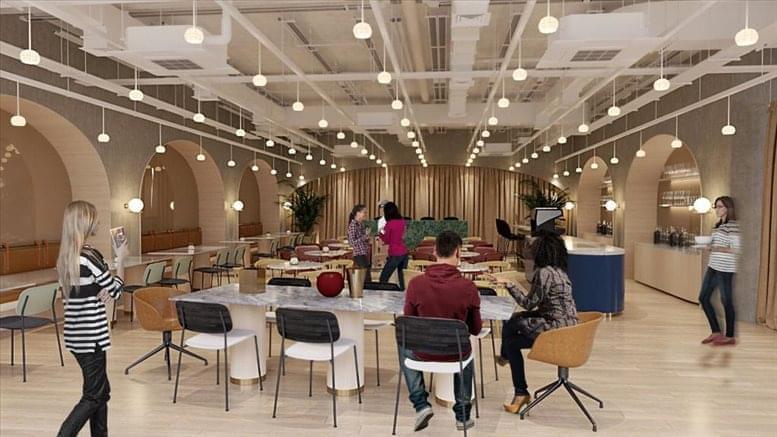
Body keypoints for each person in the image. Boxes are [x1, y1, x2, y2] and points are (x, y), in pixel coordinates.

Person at [401, 231, 482, 432]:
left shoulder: (415, 284)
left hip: (422, 353)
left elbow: (409, 323)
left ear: (434, 252)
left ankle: (421, 404)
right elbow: (475, 329)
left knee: (403, 341)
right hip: (456, 354)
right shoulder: (468, 287)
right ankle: (462, 415)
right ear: (458, 253)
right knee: (467, 350)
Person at [56, 201, 125, 437]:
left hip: (75, 335)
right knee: (94, 395)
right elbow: (115, 290)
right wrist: (120, 264)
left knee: (101, 392)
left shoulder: (66, 258)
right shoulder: (89, 256)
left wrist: (103, 287)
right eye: (95, 218)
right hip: (92, 335)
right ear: (85, 222)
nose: (98, 222)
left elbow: (92, 289)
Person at [491, 230, 578, 415]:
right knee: (512, 338)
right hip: (572, 331)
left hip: (556, 331)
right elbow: (548, 307)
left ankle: (511, 369)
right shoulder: (560, 273)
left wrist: (508, 284)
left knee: (511, 322)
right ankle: (519, 389)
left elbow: (529, 303)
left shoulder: (544, 273)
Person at [699, 196, 740, 346]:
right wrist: (708, 246)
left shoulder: (732, 226)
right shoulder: (718, 225)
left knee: (726, 300)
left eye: (720, 206)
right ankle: (716, 331)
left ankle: (730, 336)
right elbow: (718, 245)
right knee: (703, 298)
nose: (717, 209)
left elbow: (736, 249)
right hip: (713, 266)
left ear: (728, 208)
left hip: (725, 268)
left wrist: (715, 248)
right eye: (716, 206)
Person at [378, 202, 409, 289]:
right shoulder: (403, 221)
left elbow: (387, 240)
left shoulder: (389, 224)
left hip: (395, 254)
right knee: (402, 279)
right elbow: (404, 236)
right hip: (404, 253)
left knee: (383, 278)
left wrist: (380, 233)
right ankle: (403, 295)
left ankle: (382, 295)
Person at [347, 204, 372, 282]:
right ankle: (366, 289)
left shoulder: (360, 224)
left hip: (363, 252)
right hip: (358, 254)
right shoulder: (353, 225)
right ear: (358, 213)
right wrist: (364, 237)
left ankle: (367, 288)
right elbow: (351, 242)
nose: (365, 214)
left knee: (367, 275)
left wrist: (367, 237)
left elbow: (361, 238)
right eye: (364, 212)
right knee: (366, 277)